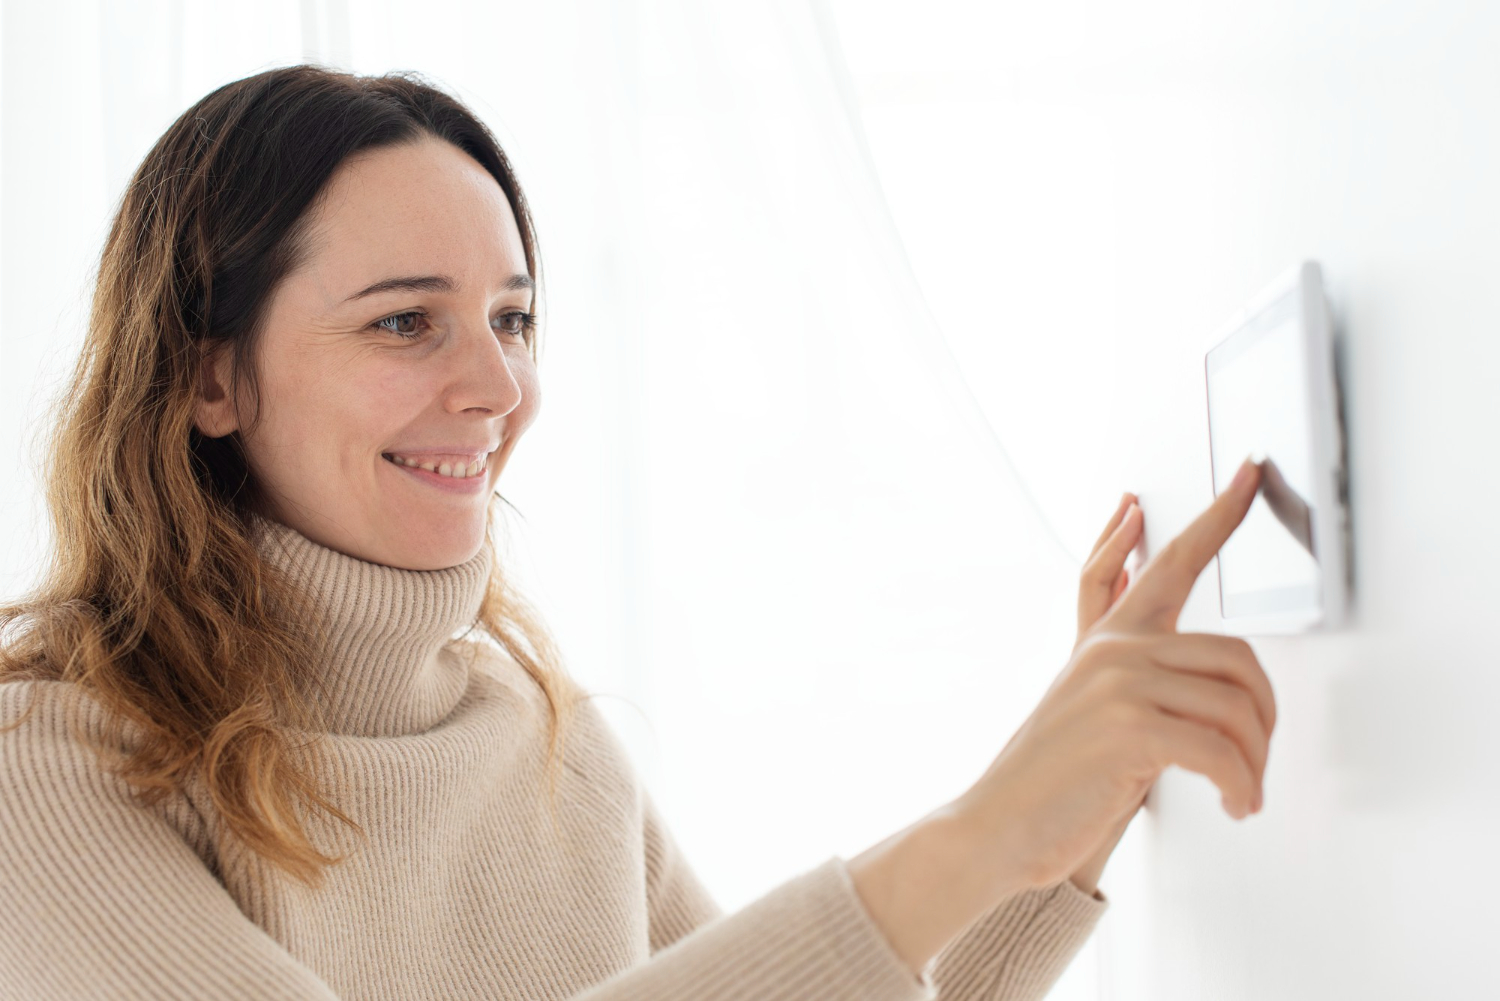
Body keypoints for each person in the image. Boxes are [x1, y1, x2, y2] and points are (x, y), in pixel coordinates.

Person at [0, 65, 1275, 1000]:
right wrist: (978, 832)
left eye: (511, 317)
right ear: (210, 378)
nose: (498, 391)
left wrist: (1071, 819)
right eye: (405, 321)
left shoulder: (549, 742)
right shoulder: (43, 762)